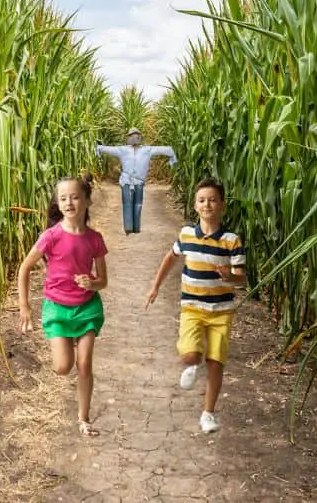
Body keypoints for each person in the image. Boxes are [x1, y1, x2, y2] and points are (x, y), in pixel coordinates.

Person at [144, 178, 245, 433]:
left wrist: (230, 277)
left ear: (222, 205)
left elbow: (241, 278)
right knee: (190, 355)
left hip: (221, 311)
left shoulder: (231, 240)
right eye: (202, 200)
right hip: (192, 306)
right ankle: (192, 364)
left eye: (212, 200)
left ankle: (208, 414)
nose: (207, 204)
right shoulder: (187, 234)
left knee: (216, 362)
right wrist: (155, 286)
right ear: (195, 205)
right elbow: (171, 258)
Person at [17, 176, 109, 436]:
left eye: (75, 196)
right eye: (64, 198)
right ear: (58, 204)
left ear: (87, 201)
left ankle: (84, 418)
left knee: (85, 364)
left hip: (87, 308)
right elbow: (24, 268)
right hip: (57, 309)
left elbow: (103, 280)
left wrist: (92, 284)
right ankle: (65, 344)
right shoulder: (51, 236)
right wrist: (24, 306)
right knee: (62, 367)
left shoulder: (95, 239)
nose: (70, 202)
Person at [95, 128, 177, 235]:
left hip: (139, 182)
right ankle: (128, 227)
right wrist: (99, 148)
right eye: (132, 135)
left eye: (137, 135)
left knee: (138, 204)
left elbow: (164, 149)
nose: (135, 137)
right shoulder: (123, 150)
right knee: (127, 203)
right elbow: (108, 149)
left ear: (140, 137)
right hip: (126, 181)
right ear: (128, 137)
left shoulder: (147, 150)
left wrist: (171, 154)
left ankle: (136, 228)